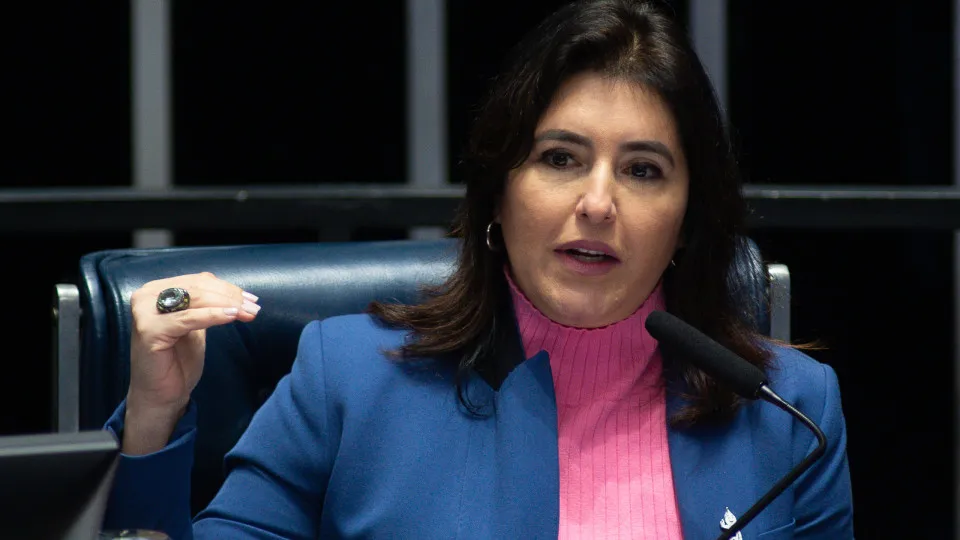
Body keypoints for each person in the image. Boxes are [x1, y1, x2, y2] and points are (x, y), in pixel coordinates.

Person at [102, 0, 854, 538]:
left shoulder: (789, 411)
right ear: (498, 192)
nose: (598, 203)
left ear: (687, 217)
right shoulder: (350, 381)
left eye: (643, 170)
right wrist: (152, 420)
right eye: (559, 158)